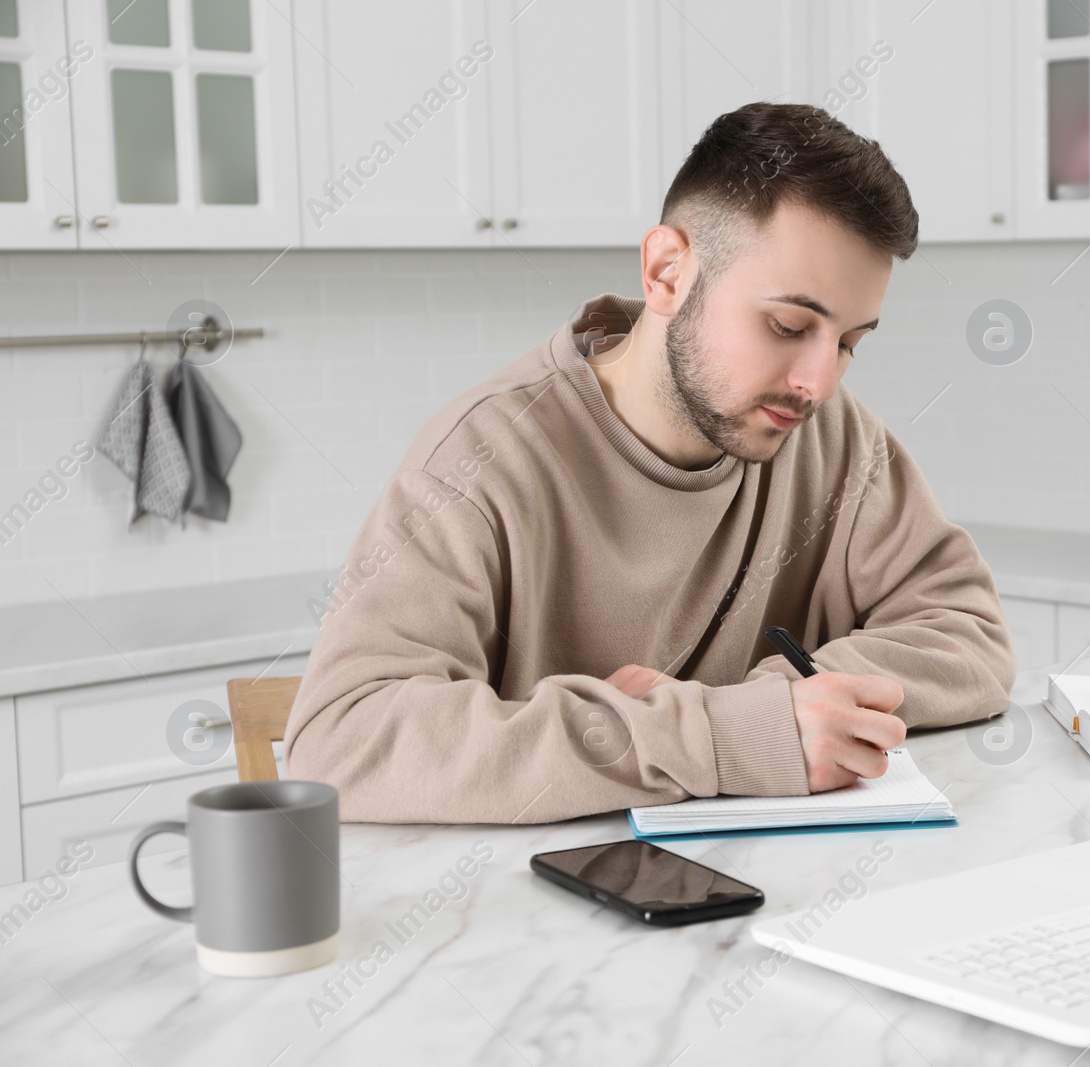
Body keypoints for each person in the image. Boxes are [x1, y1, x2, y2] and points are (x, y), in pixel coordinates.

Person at [283, 101, 1017, 823]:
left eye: (850, 341)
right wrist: (725, 735)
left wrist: (776, 707)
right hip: (543, 916)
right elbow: (341, 737)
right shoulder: (481, 460)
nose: (819, 381)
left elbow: (970, 633)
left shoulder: (835, 439)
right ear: (667, 271)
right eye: (788, 326)